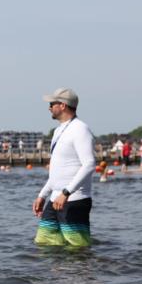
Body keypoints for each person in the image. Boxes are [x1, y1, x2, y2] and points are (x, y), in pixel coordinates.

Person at [32, 89, 95, 247]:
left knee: (77, 248)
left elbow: (89, 164)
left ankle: (78, 272)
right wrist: (42, 195)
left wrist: (66, 192)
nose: (49, 108)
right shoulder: (58, 130)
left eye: (51, 104)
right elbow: (57, 170)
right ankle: (55, 273)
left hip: (74, 199)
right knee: (44, 243)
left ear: (63, 105)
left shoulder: (80, 129)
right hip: (55, 199)